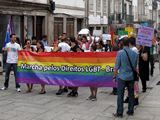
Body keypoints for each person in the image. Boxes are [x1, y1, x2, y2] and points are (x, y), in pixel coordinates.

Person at [113, 37, 137, 117]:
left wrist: (114, 76)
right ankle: (130, 110)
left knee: (120, 95)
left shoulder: (120, 53)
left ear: (122, 43)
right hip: (131, 76)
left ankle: (119, 112)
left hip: (122, 76)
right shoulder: (134, 53)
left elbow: (116, 66)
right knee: (131, 94)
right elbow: (134, 66)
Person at [124, 37, 139, 106]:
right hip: (131, 69)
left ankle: (136, 98)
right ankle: (128, 96)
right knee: (129, 84)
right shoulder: (132, 49)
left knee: (135, 85)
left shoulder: (134, 50)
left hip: (135, 69)